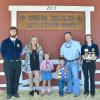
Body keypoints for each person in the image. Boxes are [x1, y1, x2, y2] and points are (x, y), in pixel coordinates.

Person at [0, 27, 23, 99]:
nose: (13, 32)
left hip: (17, 63)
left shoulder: (19, 42)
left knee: (16, 78)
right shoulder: (5, 41)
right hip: (8, 63)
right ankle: (9, 93)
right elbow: (2, 52)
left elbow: (20, 51)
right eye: (11, 31)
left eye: (14, 31)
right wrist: (8, 58)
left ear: (16, 32)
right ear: (9, 32)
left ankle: (15, 92)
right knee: (9, 78)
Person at [60, 32, 81, 97]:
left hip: (74, 62)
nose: (67, 38)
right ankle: (69, 90)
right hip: (66, 62)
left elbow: (81, 52)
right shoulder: (63, 45)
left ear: (71, 36)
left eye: (68, 36)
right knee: (68, 77)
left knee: (75, 77)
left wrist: (80, 59)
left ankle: (76, 92)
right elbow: (61, 55)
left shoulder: (76, 43)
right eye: (66, 36)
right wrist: (61, 62)